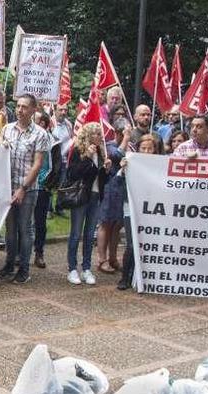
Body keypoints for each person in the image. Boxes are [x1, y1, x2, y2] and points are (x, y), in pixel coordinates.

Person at [0, 93, 49, 284]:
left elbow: (37, 165)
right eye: (18, 106)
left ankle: (24, 269)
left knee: (24, 228)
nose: (19, 110)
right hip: (7, 186)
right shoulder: (7, 129)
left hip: (28, 188)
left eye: (24, 107)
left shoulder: (40, 134)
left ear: (33, 109)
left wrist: (22, 188)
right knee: (10, 229)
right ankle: (9, 264)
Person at [65, 123, 109, 285]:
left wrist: (106, 169)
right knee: (76, 233)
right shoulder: (78, 150)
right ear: (88, 135)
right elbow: (72, 173)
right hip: (81, 196)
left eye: (100, 134)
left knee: (90, 235)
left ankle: (86, 268)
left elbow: (101, 178)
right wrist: (87, 159)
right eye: (97, 134)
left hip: (95, 196)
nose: (100, 137)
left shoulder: (101, 151)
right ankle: (72, 269)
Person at [117, 133, 159, 290]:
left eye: (150, 149)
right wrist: (122, 169)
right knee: (131, 243)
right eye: (143, 148)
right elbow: (117, 183)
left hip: (151, 209)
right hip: (131, 207)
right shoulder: (130, 162)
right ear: (138, 149)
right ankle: (125, 277)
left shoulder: (159, 164)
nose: (147, 152)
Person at [96, 111, 128, 274]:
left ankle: (113, 258)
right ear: (117, 133)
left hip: (122, 190)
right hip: (110, 189)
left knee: (117, 225)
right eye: (124, 133)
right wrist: (127, 139)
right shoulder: (109, 145)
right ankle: (102, 259)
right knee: (106, 223)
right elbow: (116, 155)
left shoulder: (128, 146)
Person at [32, 112, 61, 269]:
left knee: (40, 222)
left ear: (43, 123)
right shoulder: (27, 137)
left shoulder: (54, 142)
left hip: (43, 187)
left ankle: (39, 253)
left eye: (35, 121)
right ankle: (19, 253)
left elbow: (57, 167)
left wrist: (48, 185)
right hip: (26, 185)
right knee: (22, 222)